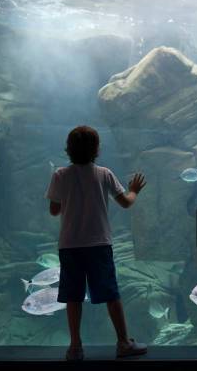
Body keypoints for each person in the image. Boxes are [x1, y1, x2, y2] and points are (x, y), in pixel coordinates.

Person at [45, 125, 148, 361]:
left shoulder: (60, 175)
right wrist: (134, 190)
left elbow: (53, 210)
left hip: (70, 245)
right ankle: (123, 342)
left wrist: (68, 202)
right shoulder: (104, 174)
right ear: (97, 149)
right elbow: (126, 203)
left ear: (68, 150)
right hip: (99, 244)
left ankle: (75, 347)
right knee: (110, 294)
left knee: (73, 296)